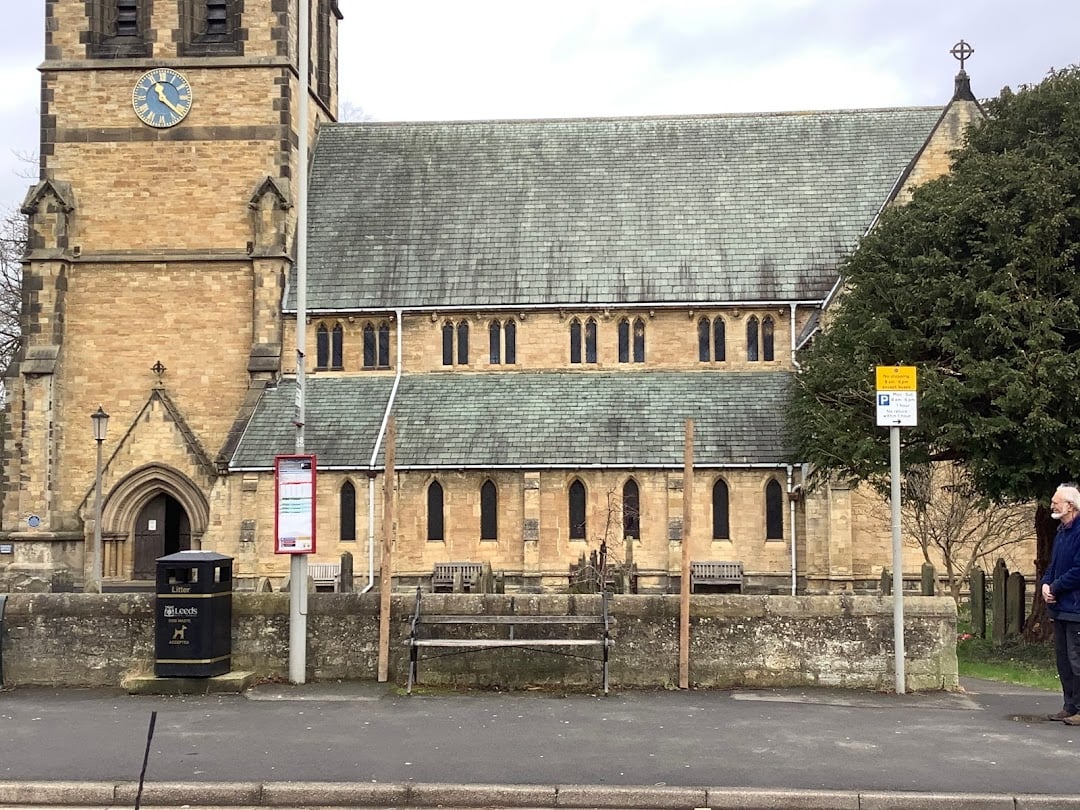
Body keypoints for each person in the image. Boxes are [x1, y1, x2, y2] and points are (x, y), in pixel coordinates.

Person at [1042, 484, 1080, 724]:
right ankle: (1070, 705)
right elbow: (1053, 565)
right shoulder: (1061, 531)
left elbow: (1078, 570)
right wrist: (1046, 585)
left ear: (1070, 506)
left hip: (1076, 608)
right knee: (1063, 661)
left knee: (1077, 660)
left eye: (1056, 502)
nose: (1052, 505)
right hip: (1060, 608)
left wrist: (1055, 587)